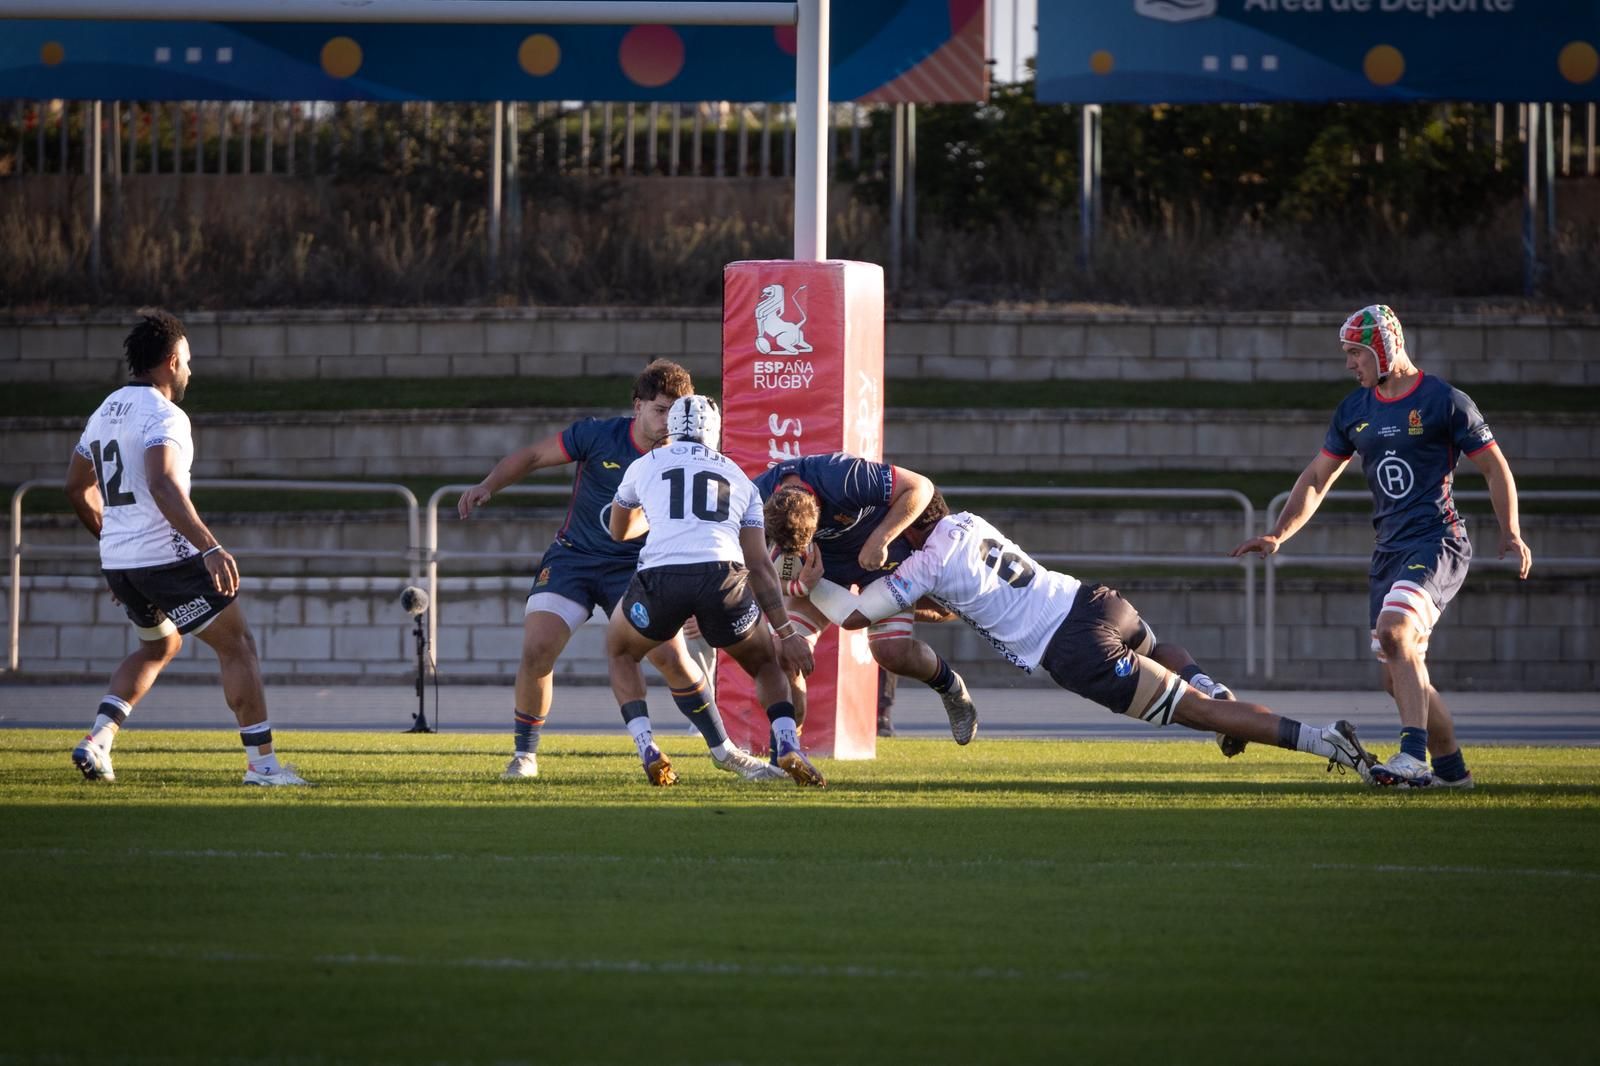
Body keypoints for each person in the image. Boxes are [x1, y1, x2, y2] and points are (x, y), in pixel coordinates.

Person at [795, 495, 1378, 777]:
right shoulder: (968, 523)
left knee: (1200, 715)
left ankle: (1325, 741)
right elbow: (966, 597)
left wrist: (816, 586)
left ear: (911, 524)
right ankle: (1211, 684)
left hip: (1072, 649)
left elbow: (852, 618)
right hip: (1094, 601)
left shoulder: (923, 563)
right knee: (1164, 655)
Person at [1232, 305, 1532, 789]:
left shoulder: (1444, 401)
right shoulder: (1355, 409)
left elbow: (1495, 467)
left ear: (1385, 348)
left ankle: (1411, 756)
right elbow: (1317, 476)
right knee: (1398, 676)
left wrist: (1511, 530)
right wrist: (1278, 533)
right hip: (1388, 551)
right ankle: (1453, 774)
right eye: (1347, 354)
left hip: (1438, 541)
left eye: (1356, 353)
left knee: (1396, 633)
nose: (1350, 364)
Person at [62, 309, 309, 786]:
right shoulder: (165, 415)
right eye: (189, 361)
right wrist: (211, 548)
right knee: (238, 645)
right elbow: (162, 484)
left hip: (122, 564)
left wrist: (115, 546)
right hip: (166, 559)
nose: (191, 371)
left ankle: (98, 740)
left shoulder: (104, 410)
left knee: (160, 644)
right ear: (172, 360)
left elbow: (76, 487)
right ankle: (263, 767)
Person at [606, 396, 823, 787]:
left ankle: (646, 746)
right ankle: (788, 742)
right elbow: (759, 565)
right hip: (723, 576)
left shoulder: (645, 465)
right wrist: (787, 634)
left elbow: (618, 531)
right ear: (715, 431)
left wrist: (658, 515)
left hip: (662, 575)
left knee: (621, 651)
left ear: (671, 427)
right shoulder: (739, 477)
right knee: (765, 664)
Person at [758, 454, 977, 745]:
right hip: (820, 572)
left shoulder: (842, 477)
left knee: (890, 651)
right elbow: (752, 574)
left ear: (819, 511)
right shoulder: (753, 498)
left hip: (880, 556)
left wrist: (880, 540)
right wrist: (799, 587)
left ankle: (951, 688)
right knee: (782, 651)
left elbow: (921, 487)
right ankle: (788, 749)